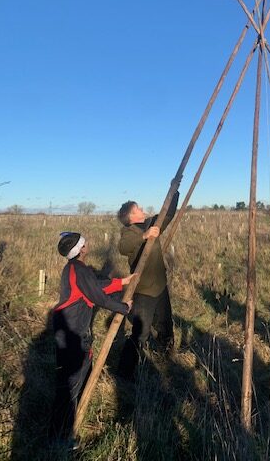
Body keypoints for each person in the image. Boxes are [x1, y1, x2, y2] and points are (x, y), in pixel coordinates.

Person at [51, 232, 134, 444]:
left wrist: (121, 282)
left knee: (75, 377)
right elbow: (98, 296)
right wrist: (123, 308)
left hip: (68, 329)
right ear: (80, 250)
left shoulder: (74, 268)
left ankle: (65, 427)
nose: (87, 244)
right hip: (74, 331)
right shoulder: (79, 270)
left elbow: (94, 287)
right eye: (84, 243)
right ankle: (61, 437)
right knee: (70, 383)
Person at [116, 189, 179, 378]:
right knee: (140, 333)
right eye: (138, 209)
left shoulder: (151, 223)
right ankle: (125, 373)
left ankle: (166, 356)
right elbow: (123, 247)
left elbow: (168, 214)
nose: (142, 209)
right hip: (143, 291)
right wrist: (144, 237)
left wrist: (174, 191)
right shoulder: (128, 232)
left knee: (166, 324)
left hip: (160, 285)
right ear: (131, 216)